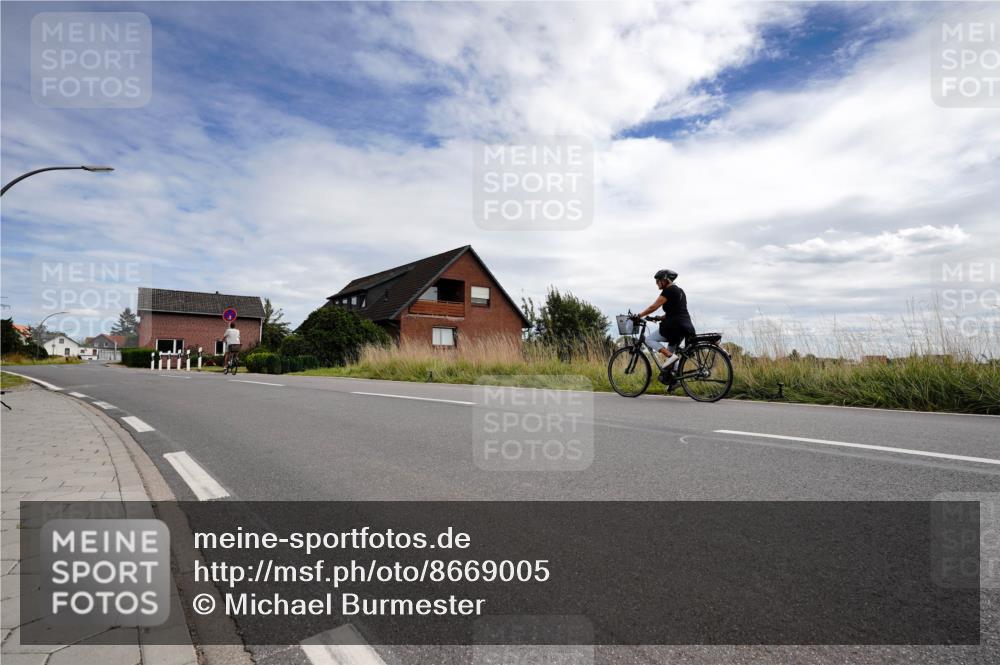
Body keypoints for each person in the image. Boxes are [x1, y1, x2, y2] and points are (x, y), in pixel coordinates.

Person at [636, 269, 696, 387]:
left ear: (665, 280)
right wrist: (660, 318)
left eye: (658, 281)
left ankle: (670, 356)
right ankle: (677, 379)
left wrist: (639, 316)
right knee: (671, 355)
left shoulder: (669, 290)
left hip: (673, 326)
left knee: (649, 340)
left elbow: (653, 306)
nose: (656, 283)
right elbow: (677, 310)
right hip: (685, 326)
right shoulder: (680, 291)